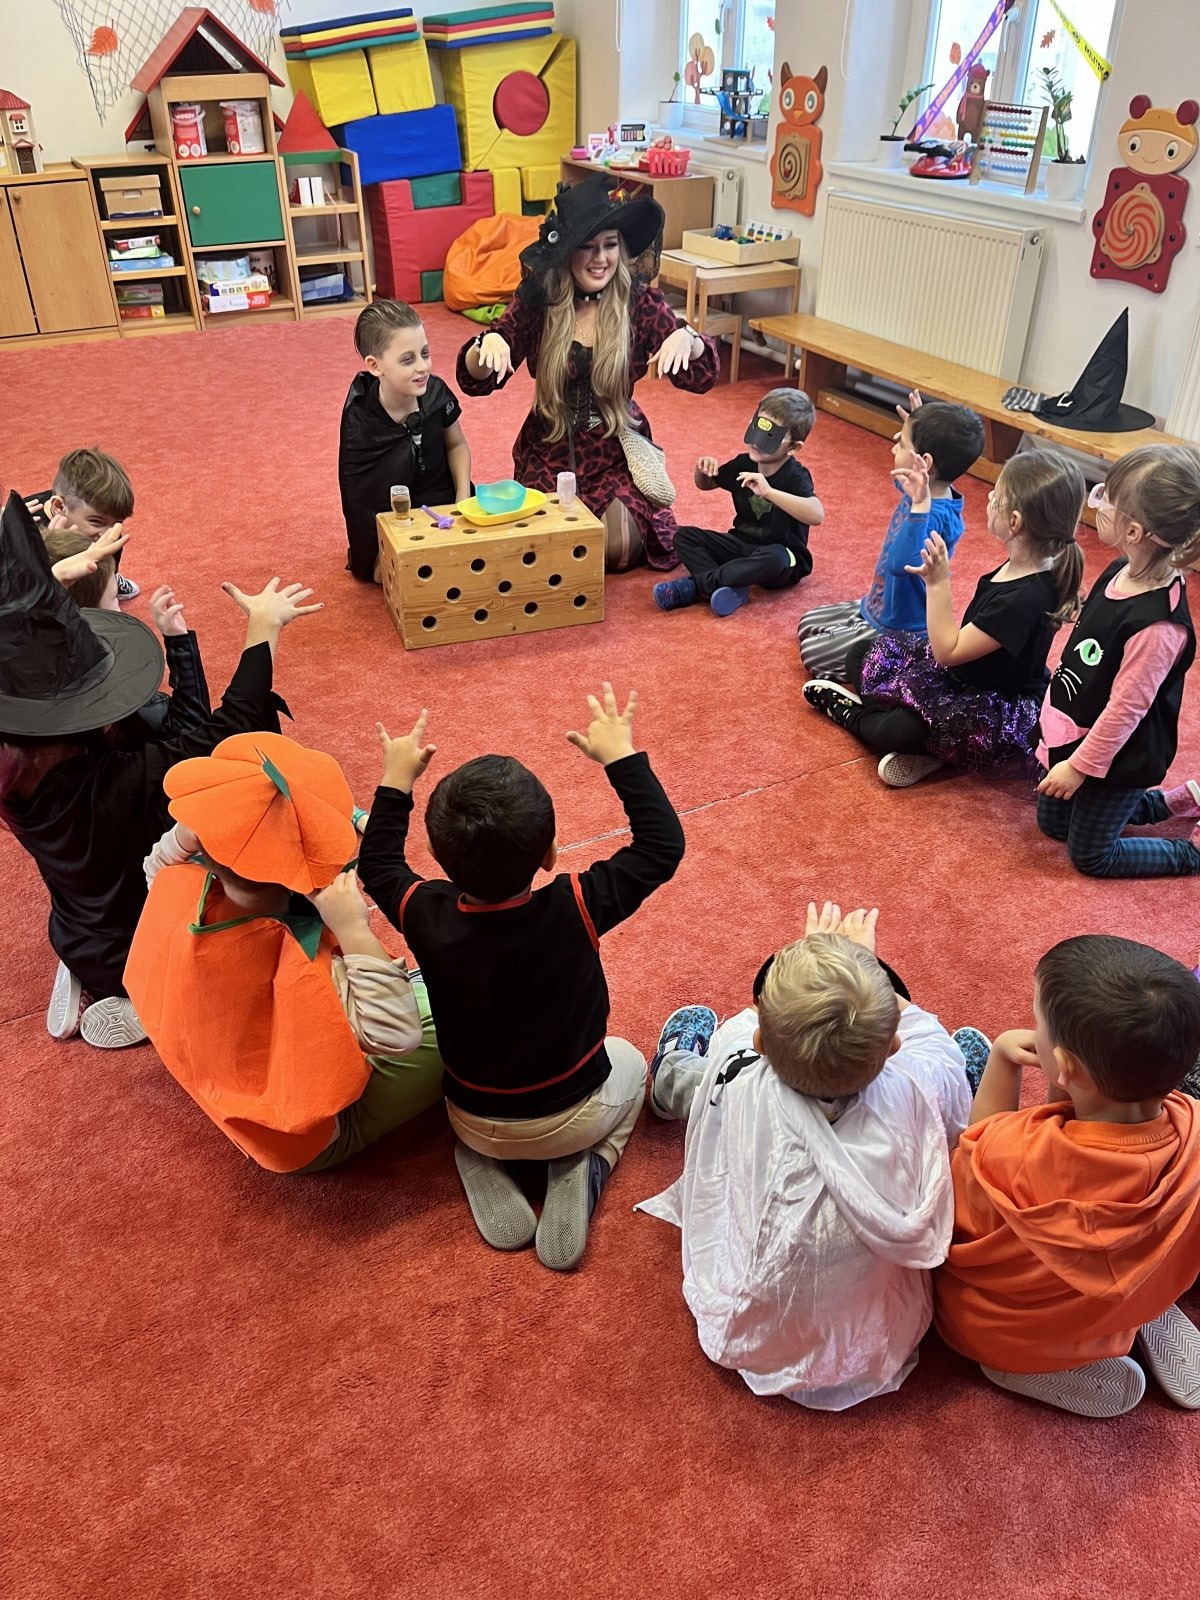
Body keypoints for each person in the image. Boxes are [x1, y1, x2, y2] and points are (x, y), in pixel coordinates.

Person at [357, 683, 685, 1271]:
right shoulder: (575, 905)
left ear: (439, 857)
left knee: (480, 1109)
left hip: (470, 1115)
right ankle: (587, 1163)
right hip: (573, 1114)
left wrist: (395, 781)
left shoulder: (424, 911)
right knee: (632, 1060)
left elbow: (378, 863)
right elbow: (661, 846)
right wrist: (621, 756)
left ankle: (480, 1158)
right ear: (550, 854)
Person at [0, 491, 318, 1050]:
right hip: (141, 942)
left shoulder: (17, 764)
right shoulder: (117, 782)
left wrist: (52, 578)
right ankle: (151, 994)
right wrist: (263, 630)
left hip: (77, 931)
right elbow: (226, 734)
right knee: (280, 895)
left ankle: (97, 974)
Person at [638, 902, 971, 1410]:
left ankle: (670, 1074)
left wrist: (813, 962)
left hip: (750, 1323)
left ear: (759, 1042)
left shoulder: (741, 1063)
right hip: (869, 1337)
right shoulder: (915, 1084)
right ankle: (975, 1072)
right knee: (954, 1074)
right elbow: (933, 1045)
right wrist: (867, 968)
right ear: (893, 1048)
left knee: (706, 1084)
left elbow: (755, 1024)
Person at [125, 733, 443, 1173]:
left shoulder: (173, 883)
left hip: (224, 1082)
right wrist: (352, 929)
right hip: (301, 1140)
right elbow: (396, 1036)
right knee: (449, 1020)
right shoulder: (305, 965)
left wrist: (204, 827)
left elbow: (159, 861)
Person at [936, 934, 1200, 1419]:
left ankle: (1023, 1361)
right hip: (1131, 1294)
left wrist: (1001, 1059)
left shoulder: (1014, 1153)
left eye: (1038, 1022)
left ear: (1062, 1065)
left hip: (1000, 1331)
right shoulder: (1195, 1129)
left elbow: (965, 1185)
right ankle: (1129, 1316)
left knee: (955, 1287)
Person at [455, 175, 719, 572]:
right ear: (567, 252)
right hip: (550, 446)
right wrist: (486, 345)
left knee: (618, 550)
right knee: (546, 546)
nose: (601, 258)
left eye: (610, 245)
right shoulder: (540, 302)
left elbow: (702, 375)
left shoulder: (638, 302)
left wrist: (689, 339)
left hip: (614, 447)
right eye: (588, 246)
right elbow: (476, 377)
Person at [803, 450, 1085, 788]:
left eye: (996, 496)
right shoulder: (1040, 561)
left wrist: (938, 583)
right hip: (958, 677)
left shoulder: (1023, 599)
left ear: (1015, 522)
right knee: (861, 654)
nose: (989, 497)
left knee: (900, 730)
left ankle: (855, 717)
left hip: (986, 706)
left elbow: (947, 651)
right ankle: (936, 749)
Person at [1035, 444, 1200, 878]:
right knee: (1053, 824)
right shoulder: (1119, 568)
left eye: (1106, 496)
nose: (1098, 501)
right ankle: (1164, 804)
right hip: (1081, 728)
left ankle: (1191, 855)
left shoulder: (1158, 627)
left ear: (1134, 531)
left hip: (1124, 755)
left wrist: (1078, 768)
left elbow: (1126, 711)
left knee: (1090, 856)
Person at [797, 394, 984, 678]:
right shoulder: (927, 487)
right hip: (875, 605)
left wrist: (919, 507)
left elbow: (900, 564)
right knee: (807, 624)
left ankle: (903, 662)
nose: (894, 446)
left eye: (902, 443)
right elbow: (906, 475)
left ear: (924, 463)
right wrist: (921, 427)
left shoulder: (934, 514)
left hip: (898, 627)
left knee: (812, 653)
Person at [651, 389, 825, 617]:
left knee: (775, 558)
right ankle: (729, 586)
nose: (758, 441)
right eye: (757, 427)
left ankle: (697, 586)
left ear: (793, 447)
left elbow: (816, 514)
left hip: (783, 556)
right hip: (740, 544)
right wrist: (702, 470)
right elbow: (706, 485)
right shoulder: (743, 464)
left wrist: (770, 492)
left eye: (771, 436)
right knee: (683, 536)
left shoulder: (795, 476)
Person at [339, 299, 473, 583]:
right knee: (385, 575)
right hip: (393, 511)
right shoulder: (361, 417)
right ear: (375, 366)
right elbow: (359, 495)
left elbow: (457, 445)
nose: (423, 367)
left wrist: (462, 499)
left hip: (442, 500)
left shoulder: (435, 393)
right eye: (408, 360)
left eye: (425, 353)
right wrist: (379, 548)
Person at [45, 525, 212, 740]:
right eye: (114, 597)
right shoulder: (112, 682)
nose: (119, 604)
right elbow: (191, 732)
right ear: (89, 616)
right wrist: (180, 643)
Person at [25, 445, 141, 601]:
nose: (107, 533)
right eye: (97, 521)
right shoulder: (25, 533)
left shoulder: (105, 529)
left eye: (117, 522)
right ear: (59, 506)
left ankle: (107, 578)